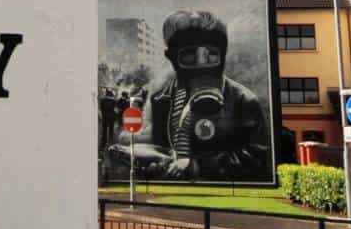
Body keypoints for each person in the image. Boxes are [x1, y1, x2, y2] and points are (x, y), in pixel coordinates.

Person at [108, 10, 269, 181]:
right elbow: (165, 146)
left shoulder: (243, 101)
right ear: (171, 57)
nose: (201, 63)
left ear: (223, 55)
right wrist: (154, 161)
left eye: (211, 54)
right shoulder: (161, 100)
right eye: (190, 54)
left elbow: (256, 158)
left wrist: (196, 166)